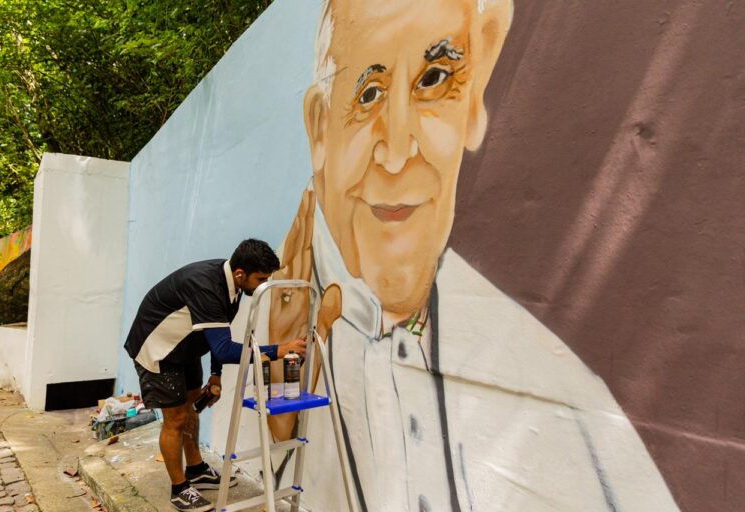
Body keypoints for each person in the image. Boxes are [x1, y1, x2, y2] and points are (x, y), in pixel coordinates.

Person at [265, 0, 681, 511]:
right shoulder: (293, 310)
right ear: (319, 128)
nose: (397, 150)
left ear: (473, 109)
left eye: (435, 79)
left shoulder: (570, 410)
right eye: (368, 94)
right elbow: (276, 453)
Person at [124, 239, 306, 512]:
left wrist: (215, 376)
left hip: (186, 348)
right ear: (240, 274)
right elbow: (224, 350)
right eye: (261, 279)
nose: (263, 286)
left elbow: (217, 338)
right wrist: (279, 351)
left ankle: (196, 469)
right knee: (175, 420)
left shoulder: (233, 288)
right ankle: (179, 489)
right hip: (158, 350)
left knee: (192, 410)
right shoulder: (205, 285)